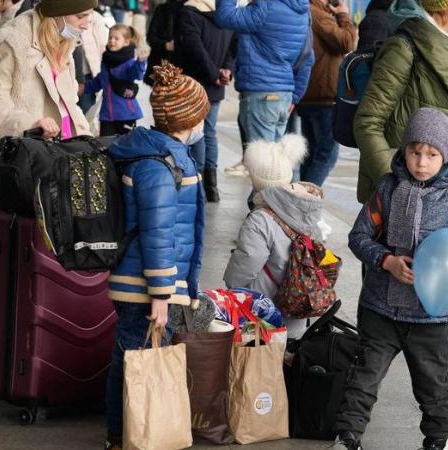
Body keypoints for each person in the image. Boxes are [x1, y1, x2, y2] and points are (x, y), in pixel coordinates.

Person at [354, 0, 448, 406]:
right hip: (403, 186)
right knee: (390, 281)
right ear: (441, 4)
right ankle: (367, 372)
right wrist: (392, 182)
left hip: (445, 183)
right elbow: (369, 119)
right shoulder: (406, 47)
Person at [334, 108, 448, 450]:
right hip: (381, 309)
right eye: (414, 152)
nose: (422, 162)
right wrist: (387, 260)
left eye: (432, 154)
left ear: (446, 154)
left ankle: (437, 440)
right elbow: (358, 237)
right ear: (404, 150)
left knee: (433, 386)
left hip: (432, 318)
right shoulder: (388, 189)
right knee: (363, 378)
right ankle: (348, 438)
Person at [103, 61, 207, 450]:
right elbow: (158, 232)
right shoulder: (159, 166)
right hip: (143, 286)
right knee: (134, 360)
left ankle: (125, 431)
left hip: (143, 281)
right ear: (187, 120)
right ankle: (124, 434)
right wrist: (162, 294)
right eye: (201, 118)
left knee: (132, 356)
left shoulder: (165, 154)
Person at [0, 0, 96, 214]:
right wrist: (29, 124)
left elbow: (68, 105)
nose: (88, 23)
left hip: (64, 163)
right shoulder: (13, 41)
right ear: (57, 13)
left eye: (90, 15)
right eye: (81, 16)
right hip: (24, 170)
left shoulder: (63, 40)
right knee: (24, 242)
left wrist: (88, 140)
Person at [223, 134, 333, 337]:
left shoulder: (260, 219)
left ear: (257, 181)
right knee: (287, 357)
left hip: (264, 310)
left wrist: (232, 285)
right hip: (300, 305)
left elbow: (247, 261)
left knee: (262, 361)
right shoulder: (307, 211)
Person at [214, 0, 314, 144]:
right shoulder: (303, 12)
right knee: (273, 159)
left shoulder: (265, 8)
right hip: (283, 96)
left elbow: (224, 15)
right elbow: (307, 58)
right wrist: (295, 96)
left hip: (262, 94)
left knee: (261, 162)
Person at [174, 0, 237, 202]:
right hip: (215, 86)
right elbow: (233, 48)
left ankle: (196, 185)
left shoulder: (189, 13)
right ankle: (212, 187)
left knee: (194, 133)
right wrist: (225, 71)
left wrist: (213, 73)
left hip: (193, 85)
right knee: (208, 133)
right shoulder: (226, 13)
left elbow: (194, 50)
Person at [297, 0, 356, 186]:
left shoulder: (311, 11)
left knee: (312, 154)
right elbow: (347, 42)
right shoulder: (318, 14)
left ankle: (300, 200)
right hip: (322, 96)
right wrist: (344, 15)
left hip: (309, 94)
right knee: (326, 154)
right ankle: (303, 199)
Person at [84, 24, 149, 136]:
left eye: (116, 38)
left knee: (126, 145)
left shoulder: (129, 62)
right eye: (110, 37)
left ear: (126, 42)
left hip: (126, 115)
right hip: (107, 115)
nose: (112, 41)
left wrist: (141, 62)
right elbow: (101, 80)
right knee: (106, 144)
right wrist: (84, 88)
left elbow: (136, 74)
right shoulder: (106, 60)